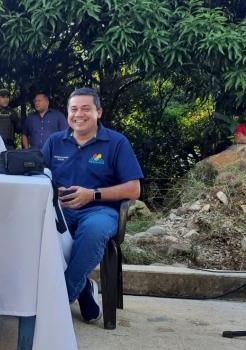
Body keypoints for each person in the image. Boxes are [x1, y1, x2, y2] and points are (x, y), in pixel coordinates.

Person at [42, 87, 143, 323]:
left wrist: (92, 195)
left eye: (86, 108)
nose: (79, 114)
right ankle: (84, 289)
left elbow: (134, 189)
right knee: (35, 228)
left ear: (98, 112)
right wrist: (51, 191)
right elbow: (39, 175)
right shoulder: (55, 141)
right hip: (61, 210)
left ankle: (60, 300)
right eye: (73, 109)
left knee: (94, 232)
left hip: (100, 210)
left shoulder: (116, 142)